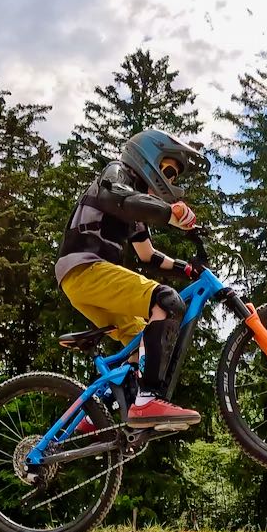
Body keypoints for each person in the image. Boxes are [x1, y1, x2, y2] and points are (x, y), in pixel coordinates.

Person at [55, 129, 208, 429]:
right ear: (149, 155)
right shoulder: (116, 174)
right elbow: (118, 198)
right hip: (86, 269)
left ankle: (94, 417)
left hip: (87, 283)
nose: (170, 181)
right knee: (167, 301)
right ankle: (147, 400)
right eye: (169, 171)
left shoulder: (133, 207)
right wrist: (169, 212)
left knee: (142, 343)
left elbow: (148, 255)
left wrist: (188, 269)